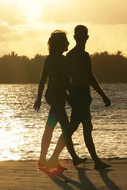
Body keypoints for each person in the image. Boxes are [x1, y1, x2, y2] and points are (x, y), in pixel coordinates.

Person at [48, 25, 111, 169]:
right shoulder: (78, 55)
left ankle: (95, 161)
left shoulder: (76, 55)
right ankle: (94, 161)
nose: (83, 39)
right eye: (81, 36)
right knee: (78, 127)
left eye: (84, 36)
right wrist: (103, 96)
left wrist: (71, 94)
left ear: (85, 38)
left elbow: (78, 78)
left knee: (79, 127)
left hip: (81, 94)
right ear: (77, 38)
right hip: (80, 94)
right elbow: (82, 77)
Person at [34, 30, 86, 169]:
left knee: (50, 127)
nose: (68, 43)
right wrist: (70, 96)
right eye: (66, 41)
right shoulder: (60, 60)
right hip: (56, 95)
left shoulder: (50, 59)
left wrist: (40, 98)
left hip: (54, 95)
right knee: (66, 127)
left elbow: (44, 81)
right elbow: (64, 82)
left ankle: (45, 160)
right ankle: (72, 158)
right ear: (60, 44)